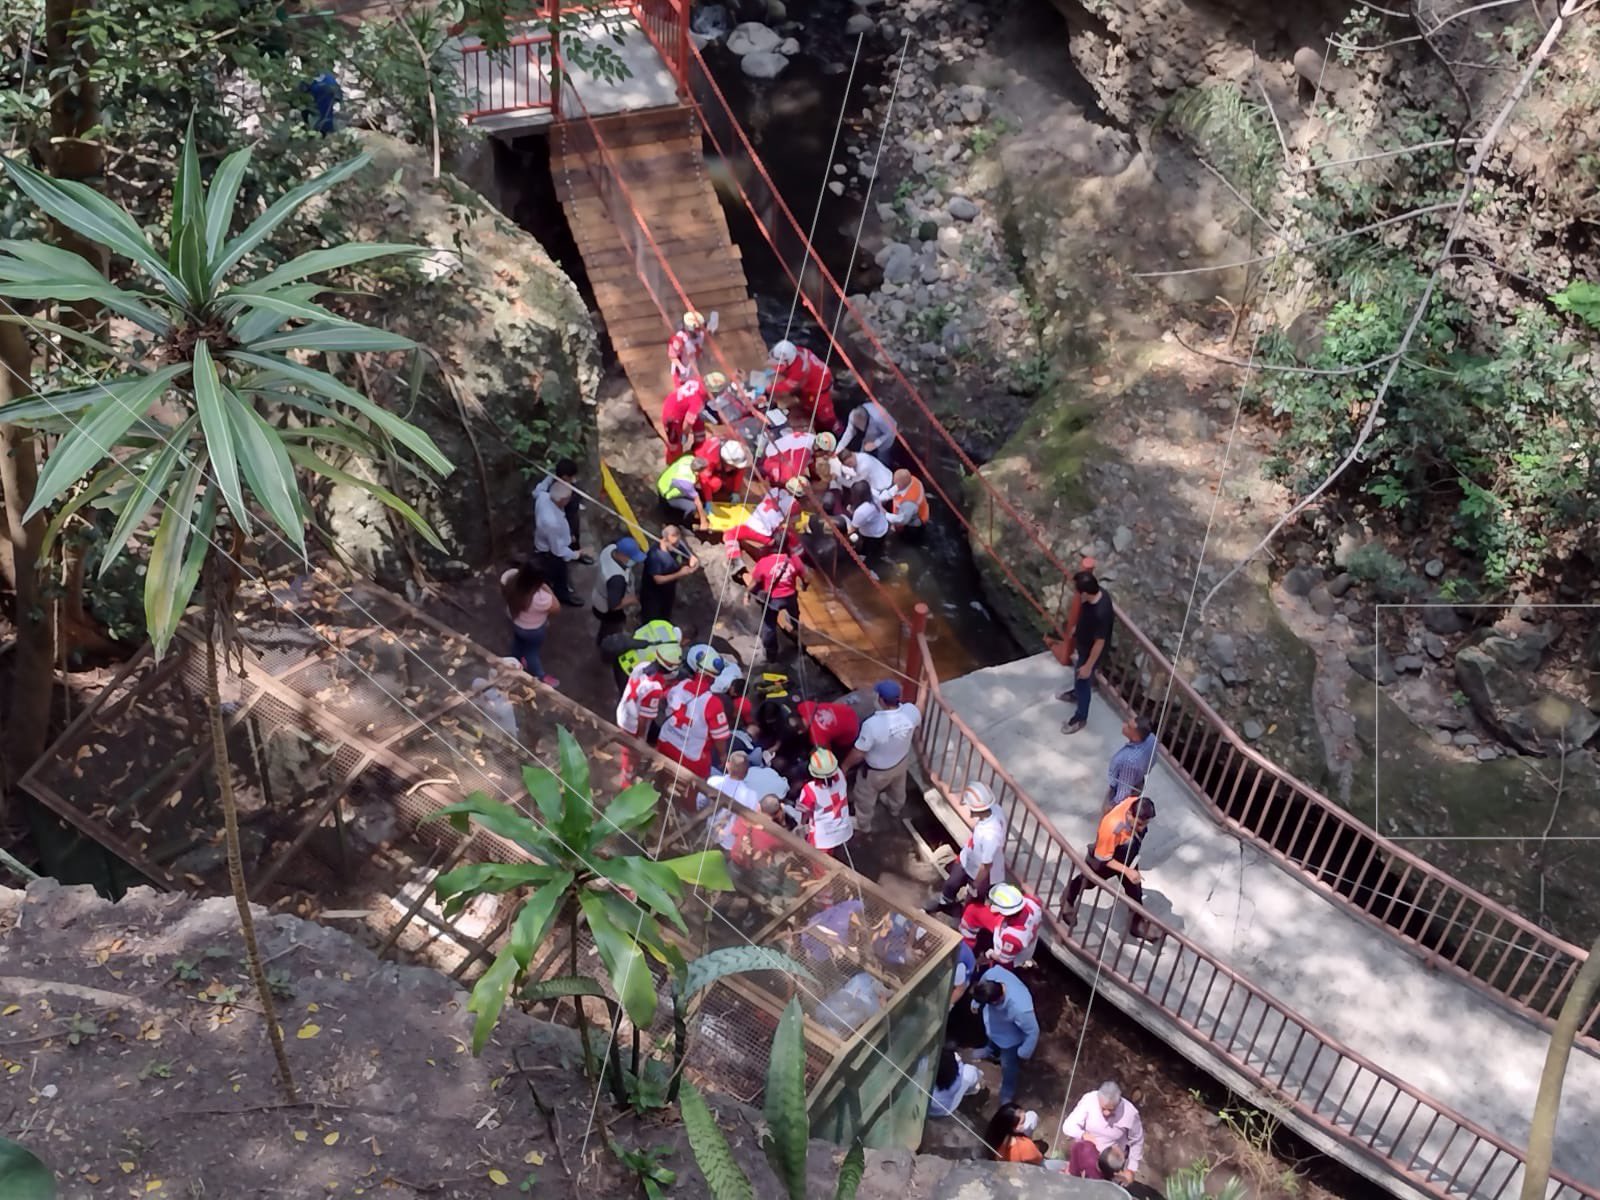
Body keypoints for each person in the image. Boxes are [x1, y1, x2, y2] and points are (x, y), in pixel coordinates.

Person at [1059, 794, 1159, 942]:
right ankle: (1067, 899)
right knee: (1088, 881)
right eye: (1138, 824)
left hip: (1127, 855)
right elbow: (1102, 857)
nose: (1142, 828)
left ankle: (1137, 924)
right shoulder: (1111, 825)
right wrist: (1126, 870)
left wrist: (1129, 870)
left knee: (1135, 889)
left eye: (1145, 824)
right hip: (1105, 857)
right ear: (1130, 814)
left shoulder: (1136, 804)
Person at [842, 679, 919, 834]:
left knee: (864, 795)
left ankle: (863, 823)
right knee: (898, 787)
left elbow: (859, 752)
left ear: (881, 700)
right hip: (901, 762)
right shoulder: (911, 712)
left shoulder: (872, 724)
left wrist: (844, 766)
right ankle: (895, 808)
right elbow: (920, 709)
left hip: (876, 772)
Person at [929, 780, 1007, 911]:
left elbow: (986, 865)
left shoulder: (990, 836)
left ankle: (967, 919)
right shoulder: (995, 810)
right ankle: (945, 902)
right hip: (968, 859)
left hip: (980, 873)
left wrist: (975, 884)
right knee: (951, 884)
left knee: (974, 900)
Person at [656, 644, 732, 780]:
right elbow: (719, 738)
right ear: (713, 678)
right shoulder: (713, 703)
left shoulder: (680, 685)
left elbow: (665, 700)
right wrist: (723, 755)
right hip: (691, 758)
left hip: (665, 742)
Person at [970, 967, 1038, 1106]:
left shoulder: (1020, 1008)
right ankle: (989, 1050)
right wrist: (976, 1001)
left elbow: (1033, 1031)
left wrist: (1024, 1051)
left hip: (1010, 1040)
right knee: (991, 1037)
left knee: (1008, 1066)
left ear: (996, 1001)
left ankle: (1007, 1092)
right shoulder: (993, 975)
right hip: (994, 1026)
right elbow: (983, 981)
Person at [1058, 569, 1115, 735]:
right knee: (1079, 675)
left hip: (1090, 652)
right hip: (1083, 644)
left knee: (1083, 680)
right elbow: (1086, 616)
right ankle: (1076, 693)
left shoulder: (1101, 612)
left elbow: (1100, 642)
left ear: (1084, 592)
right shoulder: (1094, 597)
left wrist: (1088, 666)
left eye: (1077, 590)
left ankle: (1080, 717)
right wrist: (1078, 628)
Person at [1062, 1081, 1145, 1186]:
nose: (1106, 1113)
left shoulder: (1130, 1114)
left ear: (1118, 1103)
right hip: (1086, 1152)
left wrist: (1131, 1169)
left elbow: (1137, 1141)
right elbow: (1068, 1126)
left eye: (1111, 1110)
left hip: (1110, 1162)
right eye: (1103, 1109)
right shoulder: (1089, 1100)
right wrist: (1083, 1135)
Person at [747, 539, 806, 663]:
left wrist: (746, 594)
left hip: (773, 599)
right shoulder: (794, 559)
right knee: (795, 616)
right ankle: (797, 636)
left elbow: (754, 583)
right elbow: (806, 577)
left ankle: (771, 653)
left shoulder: (764, 563)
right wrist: (804, 585)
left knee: (769, 626)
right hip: (789, 597)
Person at [960, 882, 1043, 970]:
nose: (990, 906)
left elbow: (1003, 960)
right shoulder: (1033, 903)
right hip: (1009, 925)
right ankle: (966, 943)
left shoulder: (1012, 937)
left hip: (1011, 957)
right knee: (972, 912)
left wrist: (990, 954)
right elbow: (1030, 891)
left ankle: (967, 953)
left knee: (998, 967)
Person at [500, 563, 559, 685]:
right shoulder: (541, 598)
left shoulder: (510, 581)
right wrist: (546, 587)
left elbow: (504, 582)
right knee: (531, 653)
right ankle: (540, 676)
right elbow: (557, 608)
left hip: (516, 622)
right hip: (534, 630)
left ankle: (514, 662)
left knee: (517, 643)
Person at [615, 640, 683, 742]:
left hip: (623, 711)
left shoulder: (642, 665)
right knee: (631, 754)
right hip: (633, 726)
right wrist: (640, 739)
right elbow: (643, 718)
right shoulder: (655, 688)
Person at [723, 476, 806, 560]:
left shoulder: (774, 491)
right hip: (765, 535)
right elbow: (792, 525)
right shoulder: (794, 504)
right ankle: (799, 555)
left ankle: (735, 559)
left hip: (750, 525)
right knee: (790, 533)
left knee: (730, 533)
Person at [768, 338, 837, 432]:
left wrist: (767, 386)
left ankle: (834, 428)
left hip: (820, 389)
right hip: (816, 378)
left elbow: (786, 387)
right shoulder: (797, 351)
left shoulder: (799, 371)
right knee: (806, 402)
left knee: (824, 413)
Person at [533, 480, 584, 605]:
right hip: (549, 552)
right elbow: (558, 551)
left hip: (543, 540)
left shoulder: (543, 496)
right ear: (563, 501)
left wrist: (550, 476)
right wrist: (577, 553)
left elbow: (538, 488)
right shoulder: (552, 523)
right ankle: (561, 595)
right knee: (559, 573)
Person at [797, 748, 853, 860]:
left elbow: (804, 814)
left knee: (818, 864)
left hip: (822, 837)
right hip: (843, 828)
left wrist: (802, 825)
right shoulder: (841, 776)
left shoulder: (810, 789)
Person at [591, 536, 646, 647]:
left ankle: (602, 640)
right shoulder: (616, 578)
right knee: (611, 630)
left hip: (598, 595)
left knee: (604, 628)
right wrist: (633, 599)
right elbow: (614, 605)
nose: (634, 561)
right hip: (607, 610)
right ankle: (606, 647)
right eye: (631, 558)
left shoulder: (609, 549)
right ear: (622, 555)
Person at [639, 526, 699, 624]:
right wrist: (680, 574)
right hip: (653, 595)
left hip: (669, 591)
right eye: (673, 544)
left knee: (665, 618)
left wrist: (693, 562)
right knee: (652, 621)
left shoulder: (678, 544)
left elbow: (692, 557)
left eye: (677, 542)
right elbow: (658, 580)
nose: (676, 546)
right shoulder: (655, 556)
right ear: (665, 540)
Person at [1106, 714, 1158, 810]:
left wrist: (1111, 807)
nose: (1124, 725)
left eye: (1128, 727)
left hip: (1124, 788)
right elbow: (1153, 760)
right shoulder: (1152, 739)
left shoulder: (1129, 761)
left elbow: (1122, 793)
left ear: (1135, 737)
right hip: (1139, 780)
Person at [532, 459, 583, 550]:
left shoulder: (572, 487)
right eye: (571, 477)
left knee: (575, 532)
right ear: (564, 477)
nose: (574, 479)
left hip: (571, 514)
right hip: (561, 520)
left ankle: (576, 551)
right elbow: (536, 493)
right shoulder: (549, 484)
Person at [928, 1043, 985, 1119]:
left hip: (930, 1110)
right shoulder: (968, 1073)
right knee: (976, 1084)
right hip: (946, 1111)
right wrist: (959, 1062)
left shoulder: (924, 1074)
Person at [657, 453, 711, 530]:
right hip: (668, 495)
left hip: (663, 482)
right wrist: (703, 521)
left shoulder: (688, 458)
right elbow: (697, 501)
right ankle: (686, 523)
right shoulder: (686, 482)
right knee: (692, 507)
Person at [661, 376, 709, 461]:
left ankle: (697, 454)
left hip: (674, 404)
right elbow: (688, 422)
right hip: (672, 418)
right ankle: (673, 462)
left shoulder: (697, 380)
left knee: (700, 435)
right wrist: (684, 434)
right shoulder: (697, 402)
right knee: (675, 445)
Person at [795, 696, 860, 756]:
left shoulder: (817, 737)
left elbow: (825, 753)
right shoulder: (804, 706)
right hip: (847, 710)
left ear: (800, 731)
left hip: (852, 731)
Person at [843, 481, 890, 564]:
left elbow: (853, 528)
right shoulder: (874, 495)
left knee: (868, 548)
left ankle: (868, 560)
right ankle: (880, 553)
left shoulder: (861, 512)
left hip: (873, 535)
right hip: (883, 526)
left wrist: (843, 537)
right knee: (879, 546)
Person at [668, 309, 707, 386]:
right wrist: (681, 367)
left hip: (694, 370)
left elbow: (699, 349)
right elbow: (672, 356)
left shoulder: (701, 335)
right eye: (697, 329)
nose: (698, 331)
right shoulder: (679, 338)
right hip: (681, 375)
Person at [886, 468, 929, 534]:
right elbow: (893, 491)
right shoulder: (912, 480)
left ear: (901, 485)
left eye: (896, 484)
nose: (894, 485)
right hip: (915, 511)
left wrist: (885, 514)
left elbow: (902, 520)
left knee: (908, 533)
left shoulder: (909, 503)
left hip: (914, 522)